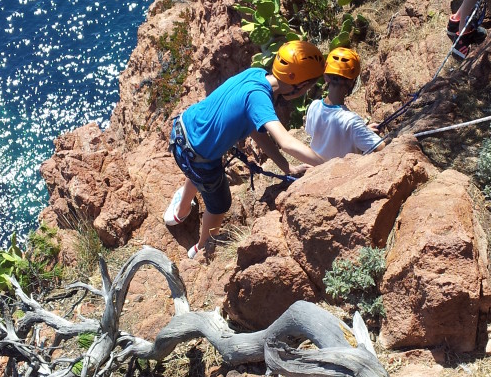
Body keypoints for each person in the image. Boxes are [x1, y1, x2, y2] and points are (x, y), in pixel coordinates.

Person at [164, 40, 326, 258]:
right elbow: (285, 141)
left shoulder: (256, 73)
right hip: (198, 156)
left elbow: (255, 131)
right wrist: (329, 165)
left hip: (182, 130)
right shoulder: (259, 98)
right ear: (299, 84)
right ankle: (201, 248)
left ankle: (180, 211)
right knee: (220, 203)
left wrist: (286, 167)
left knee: (201, 170)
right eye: (309, 86)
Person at [305, 48, 384, 160]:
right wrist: (360, 131)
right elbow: (380, 147)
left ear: (326, 76)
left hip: (317, 170)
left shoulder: (314, 106)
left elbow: (327, 137)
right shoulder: (352, 122)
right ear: (352, 81)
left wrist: (363, 132)